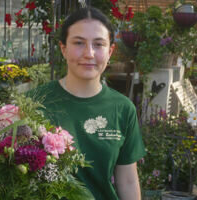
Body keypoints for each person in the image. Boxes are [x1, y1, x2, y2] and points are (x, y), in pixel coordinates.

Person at [27, 6, 145, 200]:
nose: (89, 53)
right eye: (79, 43)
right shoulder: (35, 103)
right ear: (63, 48)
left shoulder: (123, 109)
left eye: (98, 44)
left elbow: (128, 181)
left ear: (110, 52)